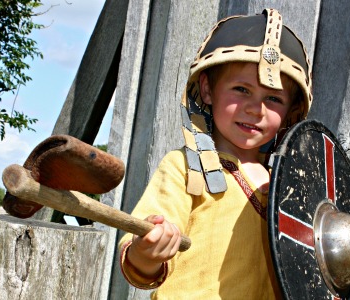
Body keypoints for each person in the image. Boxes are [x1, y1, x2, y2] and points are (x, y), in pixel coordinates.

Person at [119, 8, 313, 299]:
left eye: (273, 98)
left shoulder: (288, 192)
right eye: (241, 89)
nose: (255, 109)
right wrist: (148, 251)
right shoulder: (183, 168)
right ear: (208, 89)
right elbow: (139, 257)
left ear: (290, 113)